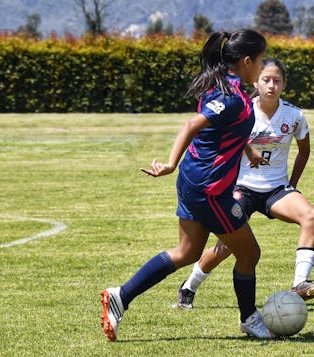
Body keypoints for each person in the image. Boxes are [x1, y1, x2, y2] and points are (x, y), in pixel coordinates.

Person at [100, 29, 273, 341]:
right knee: (249, 254)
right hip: (210, 189)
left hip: (196, 182)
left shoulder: (224, 87)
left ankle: (120, 296)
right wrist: (169, 162)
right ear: (247, 62)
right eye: (260, 62)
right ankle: (249, 318)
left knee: (187, 251)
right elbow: (192, 125)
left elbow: (223, 131)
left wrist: (247, 150)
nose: (262, 68)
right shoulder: (230, 96)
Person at [176, 58, 314, 310]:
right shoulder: (243, 110)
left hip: (276, 190)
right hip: (240, 188)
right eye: (266, 79)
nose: (271, 85)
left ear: (284, 84)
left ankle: (300, 283)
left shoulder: (295, 115)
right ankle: (189, 287)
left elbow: (304, 150)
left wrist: (292, 184)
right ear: (256, 81)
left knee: (310, 215)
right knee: (226, 247)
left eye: (277, 81)